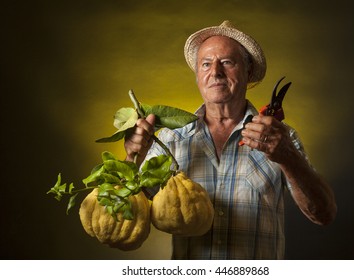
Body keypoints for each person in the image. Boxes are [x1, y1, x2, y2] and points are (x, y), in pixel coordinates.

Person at [124, 20, 337, 259]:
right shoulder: (171, 138)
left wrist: (288, 157)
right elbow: (129, 218)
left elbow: (323, 214)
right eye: (206, 64)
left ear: (248, 72)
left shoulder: (280, 138)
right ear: (197, 77)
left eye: (226, 62)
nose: (215, 72)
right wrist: (133, 157)